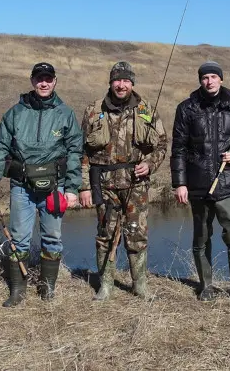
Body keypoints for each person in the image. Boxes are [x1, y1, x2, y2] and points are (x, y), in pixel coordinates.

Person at [0, 62, 83, 307]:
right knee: (18, 239)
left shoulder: (66, 114)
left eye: (48, 78)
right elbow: (1, 148)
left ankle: (47, 289)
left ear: (55, 81)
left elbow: (74, 153)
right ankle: (17, 290)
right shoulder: (15, 113)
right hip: (21, 187)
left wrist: (72, 188)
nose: (44, 83)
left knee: (52, 238)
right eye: (40, 78)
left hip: (55, 187)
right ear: (32, 81)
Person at [169, 61, 230, 308]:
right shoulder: (186, 108)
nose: (209, 81)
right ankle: (205, 286)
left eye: (213, 77)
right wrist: (180, 183)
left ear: (221, 79)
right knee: (201, 237)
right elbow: (178, 149)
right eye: (205, 77)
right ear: (200, 80)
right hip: (197, 184)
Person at [79, 61, 167, 301]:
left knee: (137, 234)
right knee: (105, 235)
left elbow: (161, 144)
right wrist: (85, 186)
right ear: (111, 82)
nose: (121, 85)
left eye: (126, 80)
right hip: (104, 185)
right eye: (117, 80)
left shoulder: (146, 109)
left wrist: (149, 165)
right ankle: (105, 285)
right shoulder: (93, 110)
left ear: (132, 83)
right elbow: (81, 152)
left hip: (136, 185)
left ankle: (140, 285)